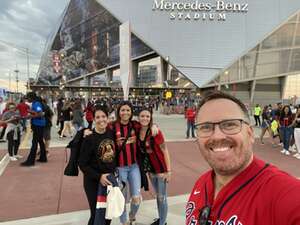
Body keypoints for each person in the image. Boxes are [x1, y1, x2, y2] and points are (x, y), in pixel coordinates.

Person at [186, 91, 300, 225]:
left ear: (250, 134)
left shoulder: (283, 194)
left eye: (229, 124)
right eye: (206, 127)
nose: (217, 136)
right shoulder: (201, 184)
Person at [79, 105, 117, 225]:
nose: (101, 120)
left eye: (103, 116)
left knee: (108, 214)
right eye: (98, 117)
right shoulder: (89, 137)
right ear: (94, 119)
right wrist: (99, 177)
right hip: (93, 182)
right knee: (97, 214)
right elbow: (82, 164)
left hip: (109, 180)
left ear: (108, 117)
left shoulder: (111, 133)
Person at [138, 107, 171, 225]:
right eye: (142, 116)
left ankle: (163, 222)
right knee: (158, 196)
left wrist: (169, 171)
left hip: (161, 170)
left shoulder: (156, 132)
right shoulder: (137, 130)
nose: (145, 118)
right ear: (138, 117)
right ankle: (161, 219)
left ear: (151, 118)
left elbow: (165, 150)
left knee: (162, 197)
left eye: (147, 116)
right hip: (150, 171)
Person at [21, 92, 47, 166]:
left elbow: (40, 114)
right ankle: (43, 157)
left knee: (34, 142)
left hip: (38, 124)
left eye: (28, 98)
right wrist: (31, 112)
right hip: (40, 124)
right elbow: (38, 113)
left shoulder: (36, 104)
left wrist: (29, 116)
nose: (27, 99)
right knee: (40, 141)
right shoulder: (36, 103)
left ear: (31, 97)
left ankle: (30, 161)